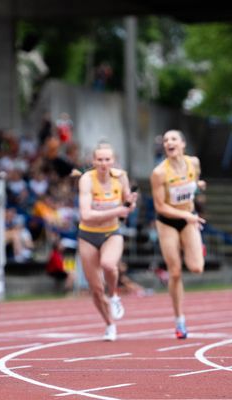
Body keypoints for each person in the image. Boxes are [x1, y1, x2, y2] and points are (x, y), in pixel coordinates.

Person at [77, 142, 136, 341]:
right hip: (88, 235)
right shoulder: (86, 179)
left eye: (107, 159)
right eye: (100, 159)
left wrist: (130, 202)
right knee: (95, 289)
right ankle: (110, 324)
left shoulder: (121, 177)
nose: (104, 163)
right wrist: (117, 211)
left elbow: (127, 203)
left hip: (112, 232)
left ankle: (115, 295)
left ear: (113, 160)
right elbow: (85, 214)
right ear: (93, 161)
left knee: (109, 264)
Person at [150, 130, 205, 339]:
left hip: (188, 217)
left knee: (197, 268)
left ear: (182, 143)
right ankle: (179, 320)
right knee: (175, 272)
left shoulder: (194, 163)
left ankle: (191, 244)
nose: (168, 143)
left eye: (173, 139)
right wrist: (186, 216)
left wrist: (198, 186)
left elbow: (195, 180)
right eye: (165, 140)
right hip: (168, 222)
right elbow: (160, 206)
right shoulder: (159, 173)